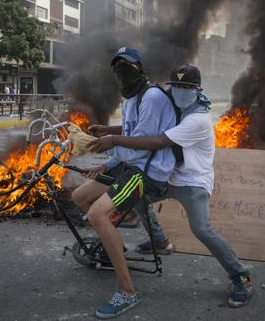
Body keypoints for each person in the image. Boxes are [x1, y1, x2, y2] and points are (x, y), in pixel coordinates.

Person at [87, 65, 253, 309]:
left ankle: (240, 276)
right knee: (138, 198)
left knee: (203, 230)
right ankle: (160, 241)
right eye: (177, 87)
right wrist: (111, 130)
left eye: (187, 88)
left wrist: (113, 140)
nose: (181, 92)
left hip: (192, 182)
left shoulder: (197, 119)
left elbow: (157, 140)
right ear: (171, 88)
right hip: (168, 176)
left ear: (197, 91)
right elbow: (145, 129)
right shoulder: (177, 110)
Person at [71, 46, 177, 319]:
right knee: (80, 197)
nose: (122, 72)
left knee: (97, 214)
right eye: (117, 67)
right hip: (131, 165)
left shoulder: (152, 96)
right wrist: (109, 133)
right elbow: (133, 131)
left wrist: (110, 144)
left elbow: (143, 145)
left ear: (140, 69)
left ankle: (127, 291)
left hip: (147, 172)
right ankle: (112, 247)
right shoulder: (131, 99)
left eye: (128, 66)